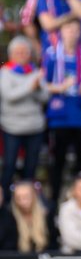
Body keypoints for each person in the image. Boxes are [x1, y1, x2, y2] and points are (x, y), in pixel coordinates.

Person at [43, 18, 81, 205]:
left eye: (76, 30)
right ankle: (54, 200)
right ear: (61, 31)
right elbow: (42, 83)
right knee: (57, 161)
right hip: (59, 116)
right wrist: (58, 88)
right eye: (68, 29)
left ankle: (80, 199)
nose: (72, 33)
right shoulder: (52, 54)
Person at [0, 36, 48, 198]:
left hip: (35, 127)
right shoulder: (5, 72)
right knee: (9, 166)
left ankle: (28, 201)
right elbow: (10, 96)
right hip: (12, 127)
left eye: (25, 52)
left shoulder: (34, 71)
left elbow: (45, 96)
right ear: (11, 54)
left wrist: (35, 88)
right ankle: (5, 201)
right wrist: (30, 87)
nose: (21, 54)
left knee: (31, 168)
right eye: (18, 52)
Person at [10, 181, 53, 253]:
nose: (22, 201)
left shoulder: (47, 215)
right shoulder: (10, 218)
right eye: (18, 198)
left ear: (34, 196)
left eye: (26, 197)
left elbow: (53, 244)